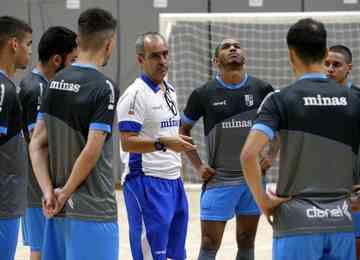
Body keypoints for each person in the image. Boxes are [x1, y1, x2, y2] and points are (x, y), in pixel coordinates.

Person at [240, 18, 360, 260]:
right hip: (341, 219)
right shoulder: (354, 99)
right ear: (326, 53)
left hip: (296, 223)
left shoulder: (280, 100)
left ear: (291, 54)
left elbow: (249, 155)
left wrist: (263, 201)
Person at [29, 8, 119, 260]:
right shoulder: (105, 88)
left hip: (56, 213)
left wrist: (49, 192)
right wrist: (65, 192)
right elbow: (92, 150)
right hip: (93, 210)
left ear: (78, 41)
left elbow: (36, 143)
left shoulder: (54, 83)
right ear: (109, 44)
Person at [179, 38, 276, 260]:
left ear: (245, 57)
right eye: (226, 46)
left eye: (237, 46)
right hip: (219, 180)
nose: (233, 48)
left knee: (246, 241)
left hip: (252, 181)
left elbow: (282, 126)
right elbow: (183, 129)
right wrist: (197, 164)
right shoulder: (203, 93)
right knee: (209, 243)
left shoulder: (263, 89)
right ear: (215, 61)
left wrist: (271, 154)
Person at [116, 32, 195, 260]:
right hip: (146, 182)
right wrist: (163, 143)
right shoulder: (134, 95)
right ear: (141, 60)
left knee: (175, 254)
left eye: (165, 54)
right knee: (152, 255)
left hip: (174, 182)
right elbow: (128, 142)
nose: (162, 61)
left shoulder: (169, 89)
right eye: (155, 56)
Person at [20, 26, 78, 260]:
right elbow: (39, 143)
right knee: (41, 251)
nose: (75, 67)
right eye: (73, 60)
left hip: (40, 187)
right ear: (57, 60)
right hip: (38, 189)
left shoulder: (41, 86)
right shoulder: (38, 89)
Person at [0, 16, 32, 260]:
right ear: (14, 44)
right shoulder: (4, 90)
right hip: (3, 205)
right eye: (28, 44)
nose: (29, 50)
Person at [324, 44, 360, 259]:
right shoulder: (314, 99)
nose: (329, 69)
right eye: (326, 64)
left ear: (349, 68)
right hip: (321, 190)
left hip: (354, 189)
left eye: (336, 65)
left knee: (355, 245)